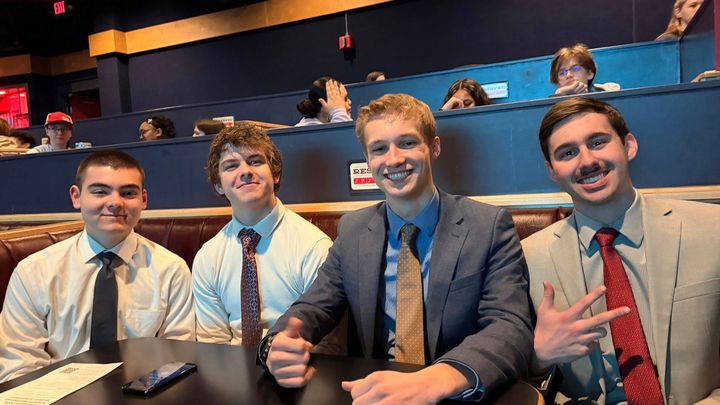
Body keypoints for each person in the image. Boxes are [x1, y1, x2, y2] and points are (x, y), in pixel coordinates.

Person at [261, 94, 532, 403]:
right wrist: (276, 345)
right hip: (376, 393)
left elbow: (510, 325)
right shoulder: (352, 230)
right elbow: (314, 306)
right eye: (379, 149)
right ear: (367, 160)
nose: (393, 160)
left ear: (434, 147)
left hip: (453, 393)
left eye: (407, 143)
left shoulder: (488, 225)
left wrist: (440, 378)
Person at [524, 97, 720, 404]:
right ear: (552, 171)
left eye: (597, 142)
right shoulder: (527, 256)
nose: (587, 161)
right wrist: (539, 358)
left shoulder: (712, 228)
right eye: (567, 153)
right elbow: (522, 375)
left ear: (628, 145)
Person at [0, 150, 195, 382]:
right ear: (76, 197)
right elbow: (19, 363)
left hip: (144, 393)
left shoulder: (171, 270)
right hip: (57, 394)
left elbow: (175, 359)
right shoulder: (33, 272)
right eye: (100, 191)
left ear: (143, 199)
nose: (115, 202)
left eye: (128, 193)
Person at [193, 124, 332, 345]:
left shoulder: (313, 247)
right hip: (231, 365)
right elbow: (213, 343)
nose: (245, 171)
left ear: (275, 174)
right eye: (231, 166)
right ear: (218, 185)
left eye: (255, 161)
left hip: (298, 361)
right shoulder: (208, 257)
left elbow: (327, 341)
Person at [550, 44, 620, 97]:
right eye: (562, 73)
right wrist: (559, 96)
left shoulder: (608, 93)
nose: (568, 75)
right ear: (557, 82)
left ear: (589, 73)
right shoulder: (548, 105)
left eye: (575, 69)